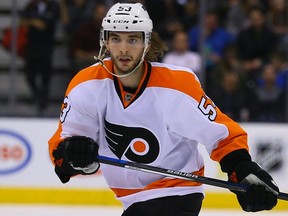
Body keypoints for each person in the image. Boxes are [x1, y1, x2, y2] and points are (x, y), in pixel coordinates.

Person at [48, 2, 279, 216]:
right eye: (116, 38)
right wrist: (74, 156)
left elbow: (221, 135)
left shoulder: (176, 85)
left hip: (177, 192)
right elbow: (64, 147)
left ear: (147, 42)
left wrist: (241, 169)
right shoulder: (86, 85)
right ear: (105, 41)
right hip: (131, 199)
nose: (124, 49)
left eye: (133, 39)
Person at [21, 0, 60, 113]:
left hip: (46, 47)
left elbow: (45, 25)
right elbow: (22, 21)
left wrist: (32, 22)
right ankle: (37, 97)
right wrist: (34, 22)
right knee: (29, 74)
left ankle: (43, 101)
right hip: (32, 46)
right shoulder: (31, 5)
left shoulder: (53, 6)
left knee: (45, 76)